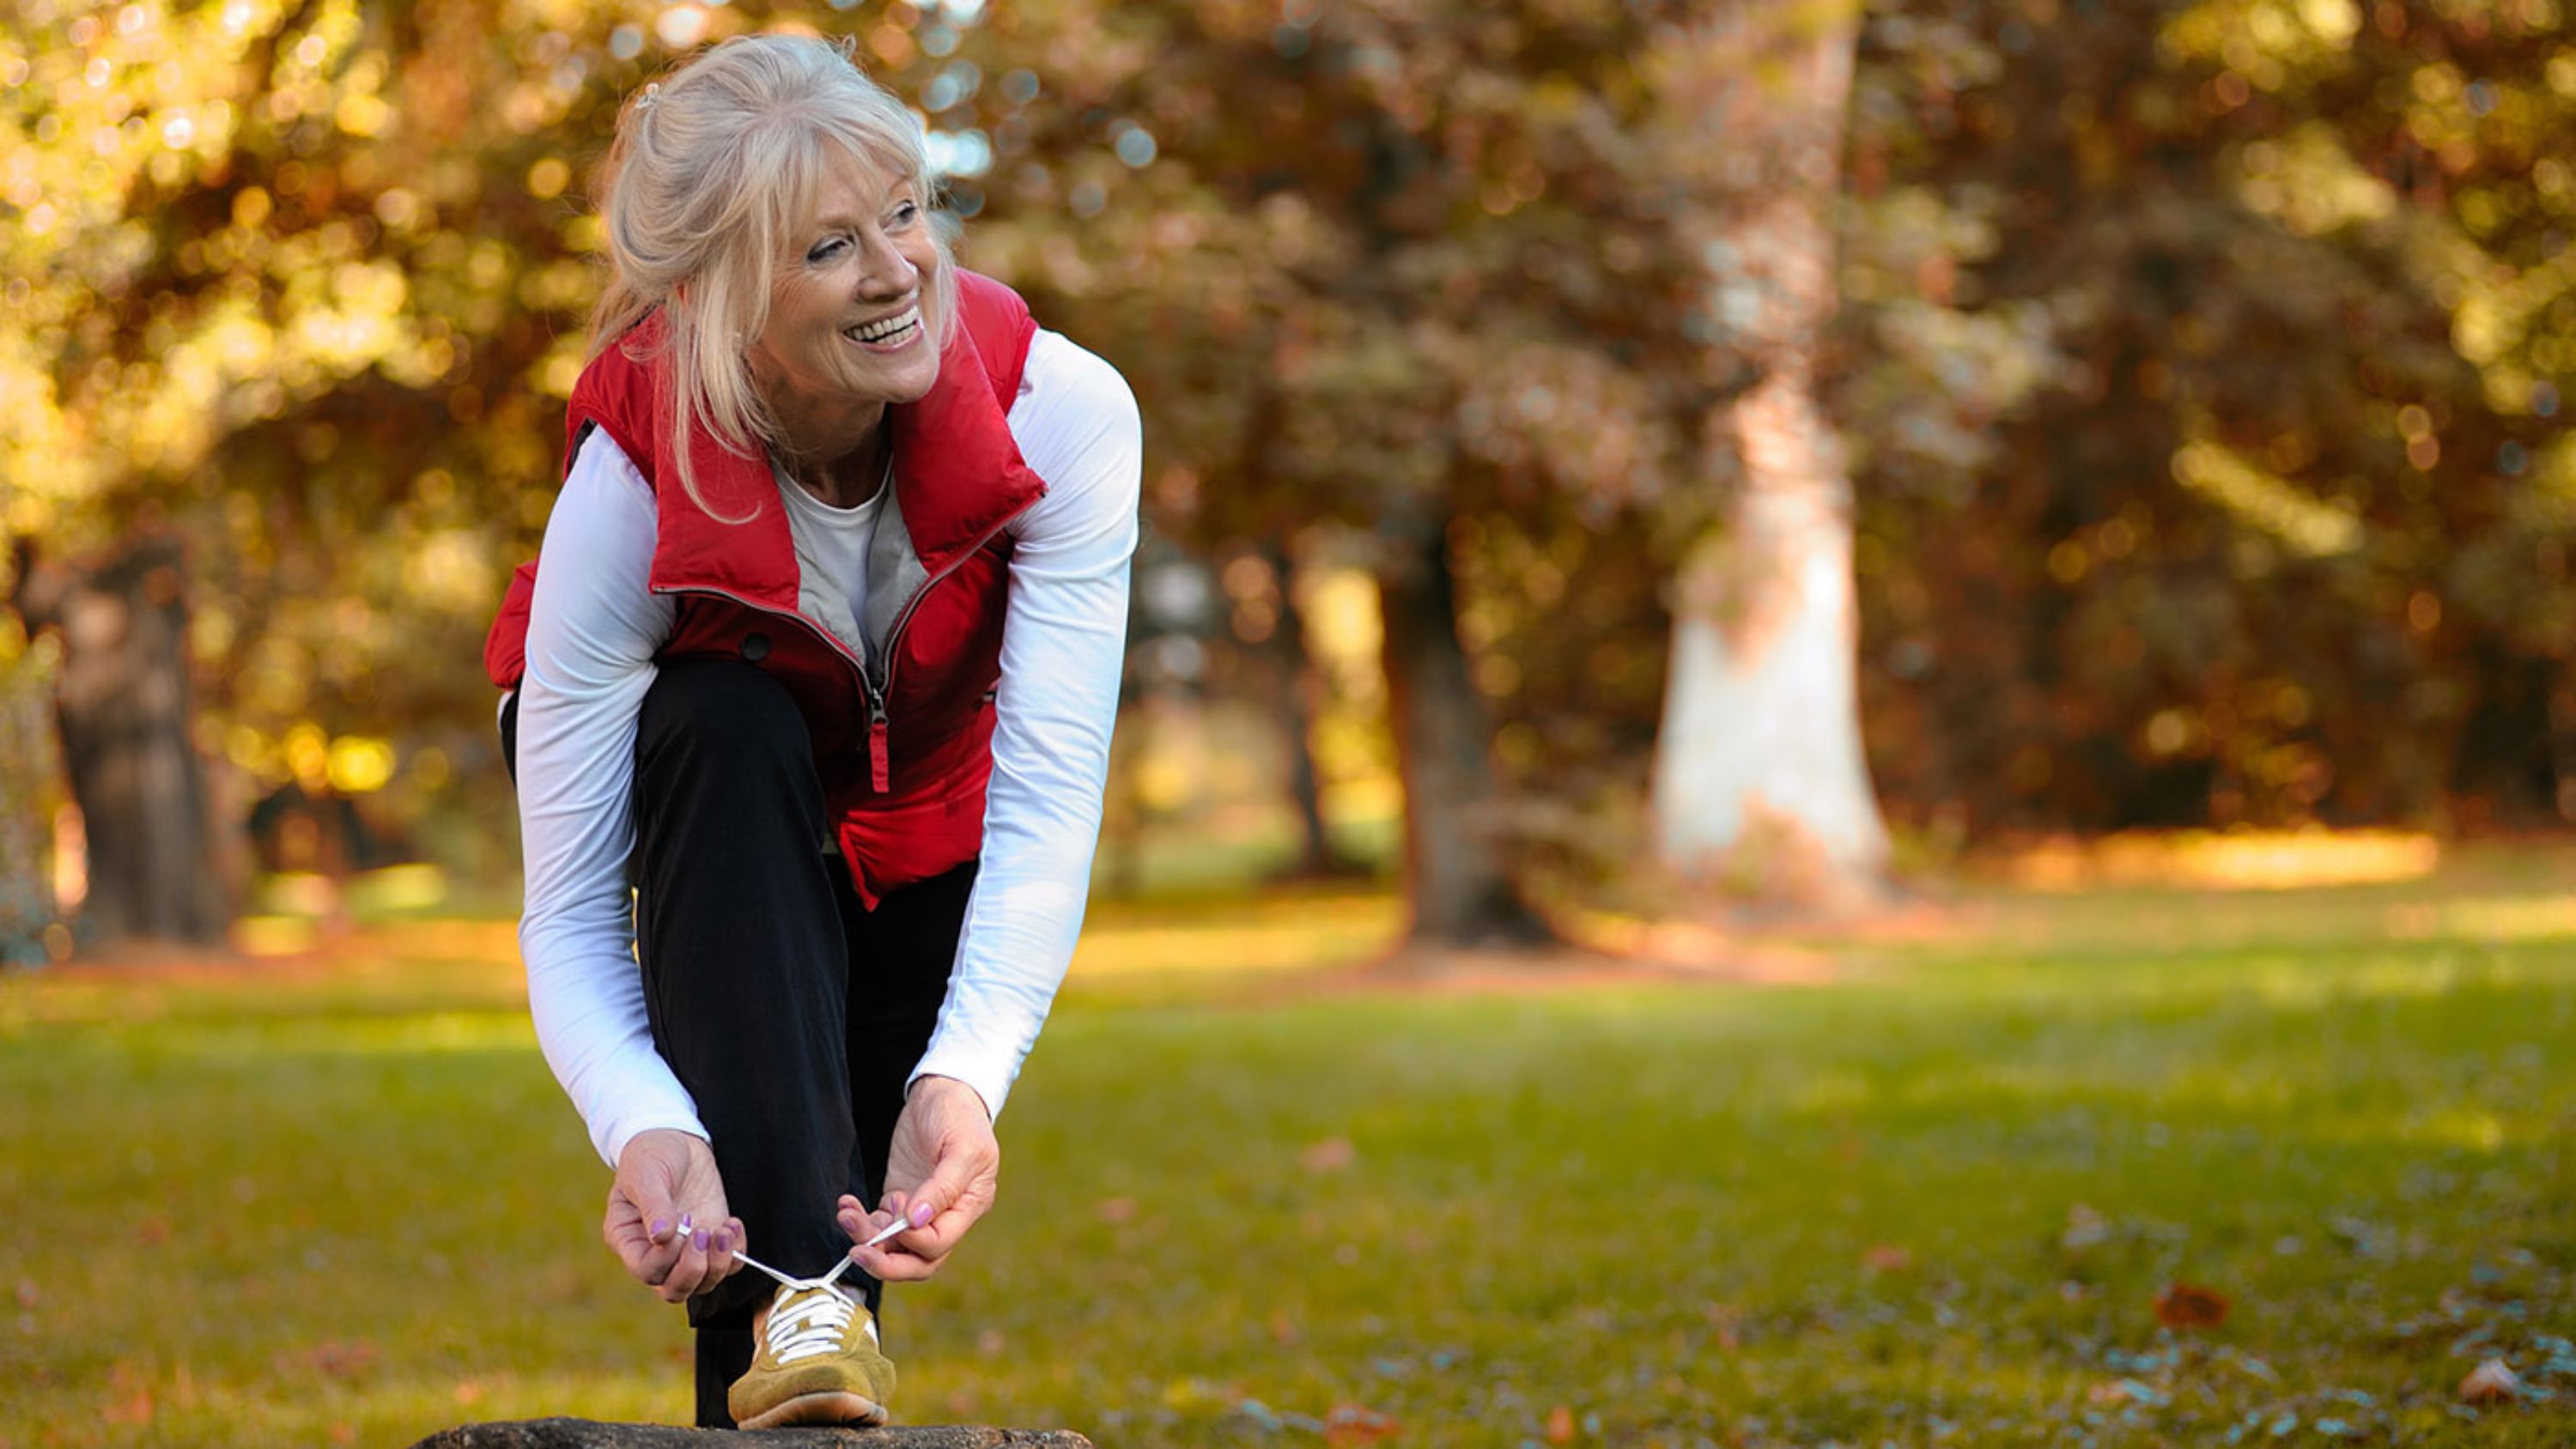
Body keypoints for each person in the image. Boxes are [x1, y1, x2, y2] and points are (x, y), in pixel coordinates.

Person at [483, 33, 1140, 1430]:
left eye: (904, 211)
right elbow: (570, 911)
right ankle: (786, 1343)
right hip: (700, 777)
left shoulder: (1066, 417)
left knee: (849, 1154)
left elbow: (1048, 795)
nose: (900, 270)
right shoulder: (625, 491)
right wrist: (642, 1121)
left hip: (930, 804)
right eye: (827, 248)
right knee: (728, 721)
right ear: (715, 299)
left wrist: (963, 1077)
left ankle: (813, 1339)